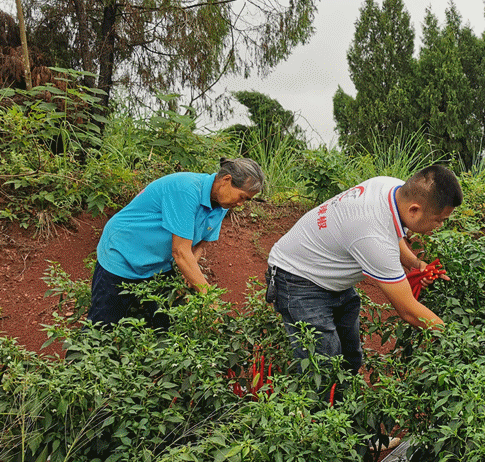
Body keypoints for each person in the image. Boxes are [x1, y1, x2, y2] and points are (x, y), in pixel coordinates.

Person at [267, 165, 462, 376]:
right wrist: (456, 340)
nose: (441, 225)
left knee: (350, 357)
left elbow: (392, 233)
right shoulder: (372, 236)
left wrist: (416, 264)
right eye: (439, 219)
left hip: (326, 270)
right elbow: (408, 310)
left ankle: (341, 401)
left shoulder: (393, 189)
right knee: (323, 369)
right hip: (297, 277)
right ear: (414, 210)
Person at [86, 157, 264, 327]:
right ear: (226, 179)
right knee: (103, 326)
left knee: (166, 323)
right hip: (123, 253)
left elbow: (200, 244)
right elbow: (180, 252)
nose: (241, 204)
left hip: (158, 265)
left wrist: (190, 272)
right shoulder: (186, 190)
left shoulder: (222, 204)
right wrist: (209, 297)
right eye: (242, 197)